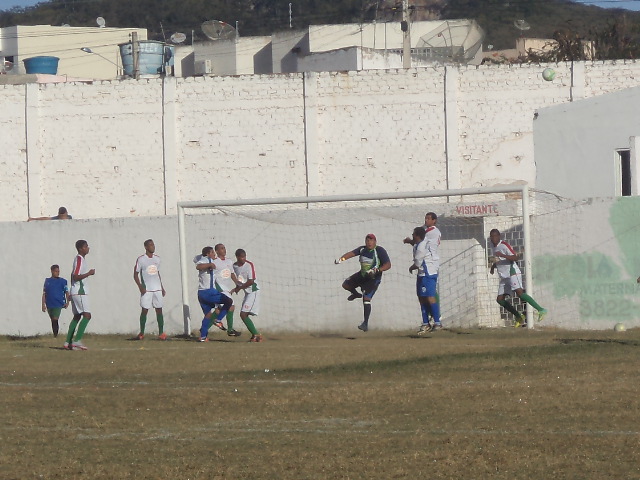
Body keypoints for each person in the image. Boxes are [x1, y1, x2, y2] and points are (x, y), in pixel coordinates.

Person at [489, 228, 547, 327]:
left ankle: (541, 309)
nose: (494, 238)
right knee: (500, 299)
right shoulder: (493, 247)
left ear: (499, 236)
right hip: (504, 276)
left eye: (496, 236)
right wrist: (494, 266)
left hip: (512, 272)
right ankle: (519, 316)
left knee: (520, 293)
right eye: (492, 236)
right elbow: (501, 260)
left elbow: (515, 257)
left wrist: (502, 254)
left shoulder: (504, 245)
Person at [335, 233, 391, 332]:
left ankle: (365, 323)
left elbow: (388, 264)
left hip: (373, 279)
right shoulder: (362, 249)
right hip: (362, 275)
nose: (369, 242)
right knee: (346, 285)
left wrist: (378, 270)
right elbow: (351, 254)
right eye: (367, 240)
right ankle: (356, 293)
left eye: (371, 240)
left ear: (375, 242)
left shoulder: (379, 251)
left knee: (366, 299)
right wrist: (341, 259)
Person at [410, 222, 443, 334]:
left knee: (430, 297)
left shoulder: (421, 247)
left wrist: (411, 267)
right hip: (422, 274)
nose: (412, 236)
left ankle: (437, 322)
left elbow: (418, 263)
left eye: (413, 234)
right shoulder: (419, 244)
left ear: (417, 235)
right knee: (421, 297)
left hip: (428, 274)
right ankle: (425, 323)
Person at [195, 246, 233, 342]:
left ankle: (203, 337)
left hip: (201, 293)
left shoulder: (205, 258)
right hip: (208, 291)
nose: (214, 254)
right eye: (212, 252)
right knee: (229, 301)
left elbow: (195, 259)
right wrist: (209, 264)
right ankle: (218, 320)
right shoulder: (206, 260)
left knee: (208, 315)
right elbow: (198, 266)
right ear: (208, 254)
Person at [64, 240, 95, 350]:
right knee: (87, 315)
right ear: (81, 248)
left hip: (75, 291)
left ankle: (68, 342)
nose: (88, 248)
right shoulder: (79, 259)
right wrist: (89, 273)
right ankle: (77, 340)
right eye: (86, 246)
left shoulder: (80, 260)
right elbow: (75, 276)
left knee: (77, 316)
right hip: (80, 292)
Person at [133, 239, 167, 340]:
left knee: (159, 309)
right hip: (147, 290)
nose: (153, 246)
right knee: (144, 310)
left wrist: (162, 287)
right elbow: (135, 274)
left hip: (157, 289)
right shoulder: (141, 259)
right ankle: (142, 333)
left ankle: (161, 333)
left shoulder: (157, 259)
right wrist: (140, 286)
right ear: (146, 247)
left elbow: (157, 273)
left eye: (153, 245)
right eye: (151, 245)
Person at [231, 248, 263, 342]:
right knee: (244, 314)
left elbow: (251, 281)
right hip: (247, 292)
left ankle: (256, 334)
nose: (244, 259)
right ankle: (255, 335)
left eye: (245, 256)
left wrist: (239, 288)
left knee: (243, 314)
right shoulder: (234, 266)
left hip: (254, 291)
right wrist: (237, 287)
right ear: (237, 257)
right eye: (241, 257)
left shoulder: (249, 265)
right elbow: (238, 279)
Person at [211, 243, 241, 337]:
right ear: (217, 251)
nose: (224, 250)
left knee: (218, 311)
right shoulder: (215, 262)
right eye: (222, 248)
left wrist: (237, 283)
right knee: (231, 305)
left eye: (224, 248)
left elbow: (231, 273)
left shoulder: (229, 261)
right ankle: (230, 329)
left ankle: (204, 329)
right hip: (219, 287)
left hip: (226, 288)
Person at [41, 264, 70, 337]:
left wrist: (67, 302)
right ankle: (55, 334)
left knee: (55, 319)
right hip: (49, 303)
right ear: (52, 271)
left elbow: (67, 292)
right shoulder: (47, 281)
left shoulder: (63, 281)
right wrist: (43, 304)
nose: (58, 273)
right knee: (52, 320)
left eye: (58, 271)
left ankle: (55, 335)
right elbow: (44, 293)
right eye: (56, 271)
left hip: (58, 303)